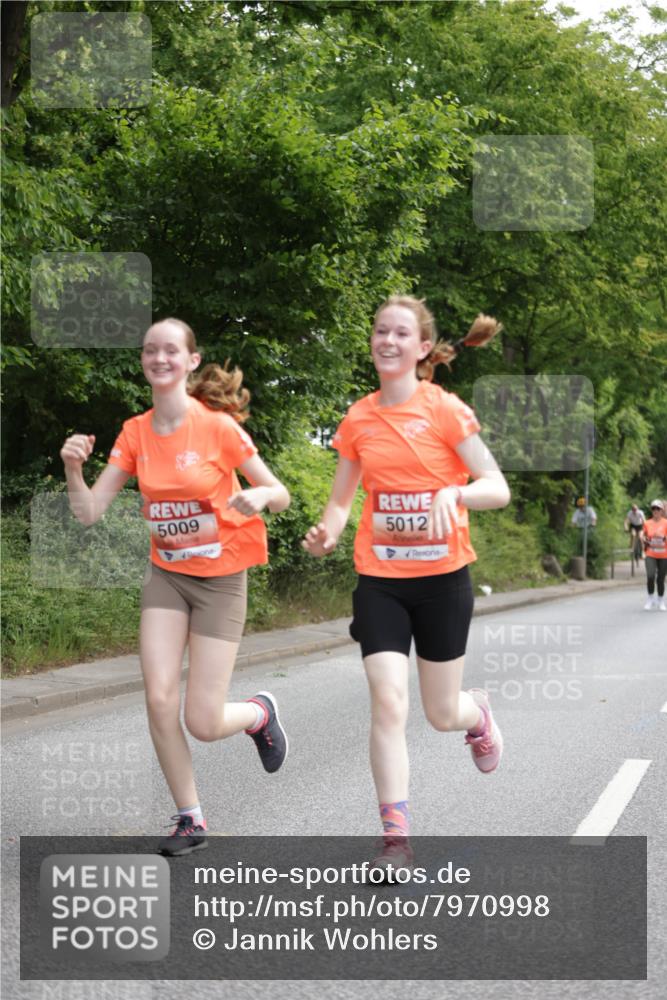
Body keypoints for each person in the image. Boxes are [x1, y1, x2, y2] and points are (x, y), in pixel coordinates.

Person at [60, 318, 290, 856]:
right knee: (160, 699)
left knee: (203, 720)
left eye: (171, 350)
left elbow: (276, 491)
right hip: (167, 575)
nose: (159, 357)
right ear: (143, 361)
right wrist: (74, 469)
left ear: (190, 361)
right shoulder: (135, 432)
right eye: (150, 350)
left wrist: (259, 498)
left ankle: (258, 714)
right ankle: (191, 819)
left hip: (221, 579)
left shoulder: (217, 429)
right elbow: (89, 512)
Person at [302, 295, 510, 877]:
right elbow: (342, 502)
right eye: (379, 332)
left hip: (444, 581)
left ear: (421, 349)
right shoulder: (359, 418)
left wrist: (455, 493)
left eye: (399, 334)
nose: (386, 341)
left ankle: (478, 717)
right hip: (382, 582)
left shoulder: (444, 411)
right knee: (389, 701)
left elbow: (497, 486)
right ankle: (395, 838)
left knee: (442, 712)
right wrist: (327, 532)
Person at [641, 500, 667, 611]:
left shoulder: (666, 523)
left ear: (662, 511)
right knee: (650, 575)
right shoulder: (647, 523)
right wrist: (643, 538)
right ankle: (650, 598)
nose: (655, 511)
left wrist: (663, 537)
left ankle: (660, 600)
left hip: (663, 554)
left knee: (661, 578)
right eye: (653, 509)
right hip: (651, 553)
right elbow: (643, 534)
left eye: (658, 509)